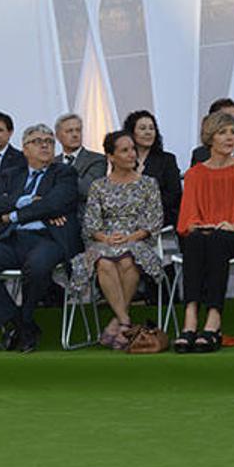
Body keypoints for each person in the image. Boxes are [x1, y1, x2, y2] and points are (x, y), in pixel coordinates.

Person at [0, 123, 82, 353]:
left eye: (49, 141)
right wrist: (23, 201)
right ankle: (17, 323)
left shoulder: (64, 172)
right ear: (25, 149)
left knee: (36, 268)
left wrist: (14, 215)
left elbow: (57, 202)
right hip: (13, 238)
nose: (45, 145)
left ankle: (24, 322)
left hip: (48, 239)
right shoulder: (11, 174)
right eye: (38, 141)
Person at [174, 111, 234, 353]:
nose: (230, 137)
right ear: (210, 138)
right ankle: (191, 318)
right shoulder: (196, 173)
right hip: (208, 236)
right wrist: (200, 225)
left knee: (215, 240)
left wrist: (233, 226)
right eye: (222, 132)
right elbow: (186, 220)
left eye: (233, 132)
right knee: (197, 239)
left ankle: (214, 319)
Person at [68, 130, 163, 348]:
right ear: (111, 156)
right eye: (125, 150)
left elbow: (154, 220)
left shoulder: (148, 183)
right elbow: (91, 224)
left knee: (127, 261)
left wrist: (130, 237)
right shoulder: (99, 186)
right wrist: (107, 238)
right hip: (105, 241)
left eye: (132, 150)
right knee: (103, 262)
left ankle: (117, 323)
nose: (132, 154)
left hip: (137, 239)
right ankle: (125, 321)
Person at [124, 109, 182, 227]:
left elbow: (174, 194)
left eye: (151, 128)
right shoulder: (123, 160)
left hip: (161, 219)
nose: (148, 132)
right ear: (131, 132)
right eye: (143, 128)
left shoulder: (167, 160)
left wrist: (147, 206)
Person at [54, 112, 107, 197]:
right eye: (69, 131)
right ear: (58, 136)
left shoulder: (97, 159)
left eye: (78, 130)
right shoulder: (52, 162)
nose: (75, 135)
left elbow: (88, 189)